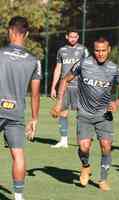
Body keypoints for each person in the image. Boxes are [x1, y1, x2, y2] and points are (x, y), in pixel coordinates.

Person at [50, 37, 119, 191]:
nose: (100, 54)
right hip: (85, 114)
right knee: (84, 148)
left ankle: (103, 179)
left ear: (109, 50)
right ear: (94, 50)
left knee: (106, 146)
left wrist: (117, 103)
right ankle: (85, 166)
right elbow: (65, 80)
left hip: (104, 115)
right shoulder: (83, 64)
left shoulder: (115, 69)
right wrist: (59, 103)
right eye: (97, 50)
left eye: (103, 51)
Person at [0, 16, 41, 200]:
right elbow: (35, 94)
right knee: (18, 154)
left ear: (9, 31)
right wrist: (34, 119)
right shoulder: (33, 61)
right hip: (16, 113)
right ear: (27, 34)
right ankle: (18, 197)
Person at [50, 30, 89, 148]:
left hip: (79, 86)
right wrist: (53, 87)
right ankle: (63, 140)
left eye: (75, 36)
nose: (73, 39)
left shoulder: (83, 50)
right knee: (62, 112)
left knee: (81, 114)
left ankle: (80, 139)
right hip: (64, 86)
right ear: (67, 37)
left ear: (78, 37)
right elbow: (58, 68)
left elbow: (89, 67)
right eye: (71, 36)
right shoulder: (61, 50)